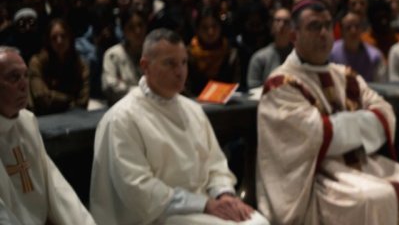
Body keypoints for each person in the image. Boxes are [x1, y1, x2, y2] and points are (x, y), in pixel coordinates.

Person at [256, 1, 399, 225]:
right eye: (314, 26)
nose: (323, 33)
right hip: (316, 175)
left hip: (362, 163)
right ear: (294, 35)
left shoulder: (345, 75)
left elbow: (385, 113)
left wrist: (343, 125)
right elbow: (315, 134)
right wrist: (363, 123)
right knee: (370, 200)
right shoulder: (282, 84)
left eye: (327, 25)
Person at [90, 28, 267, 225]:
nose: (180, 71)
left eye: (183, 62)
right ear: (145, 66)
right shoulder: (123, 118)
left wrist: (224, 194)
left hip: (200, 205)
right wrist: (204, 204)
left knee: (256, 222)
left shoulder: (192, 110)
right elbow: (138, 189)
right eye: (170, 64)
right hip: (155, 216)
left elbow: (215, 164)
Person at [0, 47, 95, 224]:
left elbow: (55, 185)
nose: (23, 84)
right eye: (14, 77)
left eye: (25, 75)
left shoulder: (27, 122)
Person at [27, 19, 89, 114]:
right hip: (44, 115)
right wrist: (68, 99)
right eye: (54, 38)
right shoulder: (37, 62)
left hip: (74, 114)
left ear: (70, 38)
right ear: (48, 41)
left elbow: (83, 99)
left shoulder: (80, 64)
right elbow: (41, 96)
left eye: (63, 36)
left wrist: (56, 98)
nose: (59, 41)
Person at [187, 9, 240, 96]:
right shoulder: (188, 55)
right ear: (197, 30)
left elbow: (235, 87)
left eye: (214, 26)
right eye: (205, 28)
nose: (210, 32)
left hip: (226, 106)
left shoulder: (230, 54)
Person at [102, 11, 146, 103]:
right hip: (121, 106)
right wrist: (142, 92)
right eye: (131, 27)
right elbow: (110, 86)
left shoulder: (153, 54)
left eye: (140, 25)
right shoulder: (113, 54)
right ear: (124, 31)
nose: (138, 31)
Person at [246, 8, 293, 90]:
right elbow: (253, 88)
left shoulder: (299, 57)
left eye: (286, 22)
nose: (281, 25)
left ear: (293, 28)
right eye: (278, 21)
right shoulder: (259, 57)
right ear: (272, 26)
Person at [330, 11, 384, 82]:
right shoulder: (331, 52)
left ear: (362, 29)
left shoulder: (374, 56)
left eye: (357, 26)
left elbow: (380, 86)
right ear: (342, 31)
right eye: (348, 27)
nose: (353, 31)